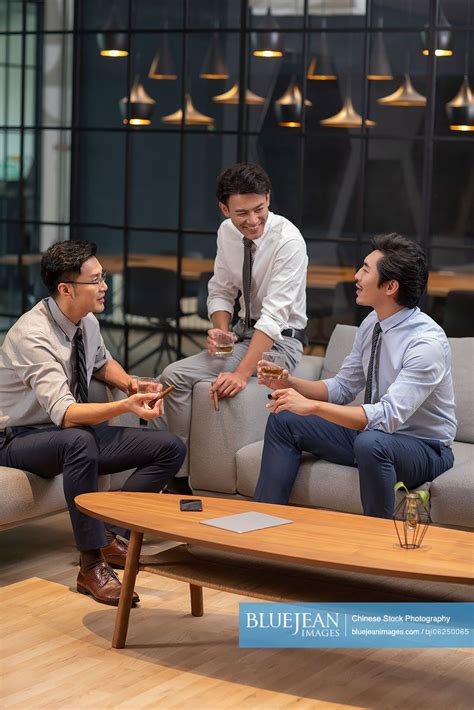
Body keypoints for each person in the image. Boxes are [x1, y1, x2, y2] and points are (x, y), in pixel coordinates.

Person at [0, 241, 185, 606]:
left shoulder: (87, 321)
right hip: (19, 439)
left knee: (170, 448)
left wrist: (131, 384)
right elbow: (66, 414)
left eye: (104, 278)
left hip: (68, 434)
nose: (105, 287)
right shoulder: (32, 335)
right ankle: (90, 565)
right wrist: (125, 407)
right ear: (66, 289)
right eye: (96, 281)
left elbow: (101, 362)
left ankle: (110, 534)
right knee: (79, 441)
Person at [254, 232, 456, 518]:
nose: (356, 276)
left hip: (425, 450)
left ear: (390, 286)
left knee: (371, 442)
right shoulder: (373, 322)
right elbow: (343, 387)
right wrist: (290, 383)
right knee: (284, 419)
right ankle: (261, 522)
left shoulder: (425, 343)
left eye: (365, 269)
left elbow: (386, 417)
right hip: (375, 437)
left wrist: (312, 406)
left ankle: (377, 543)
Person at [154, 162, 308, 488]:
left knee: (173, 376)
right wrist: (222, 328)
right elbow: (221, 290)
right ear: (224, 209)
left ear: (268, 198)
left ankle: (172, 475)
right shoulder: (227, 232)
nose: (252, 221)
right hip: (241, 333)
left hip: (280, 343)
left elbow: (275, 318)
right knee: (173, 377)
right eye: (241, 213)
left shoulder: (289, 242)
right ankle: (172, 469)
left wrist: (240, 374)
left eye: (259, 210)